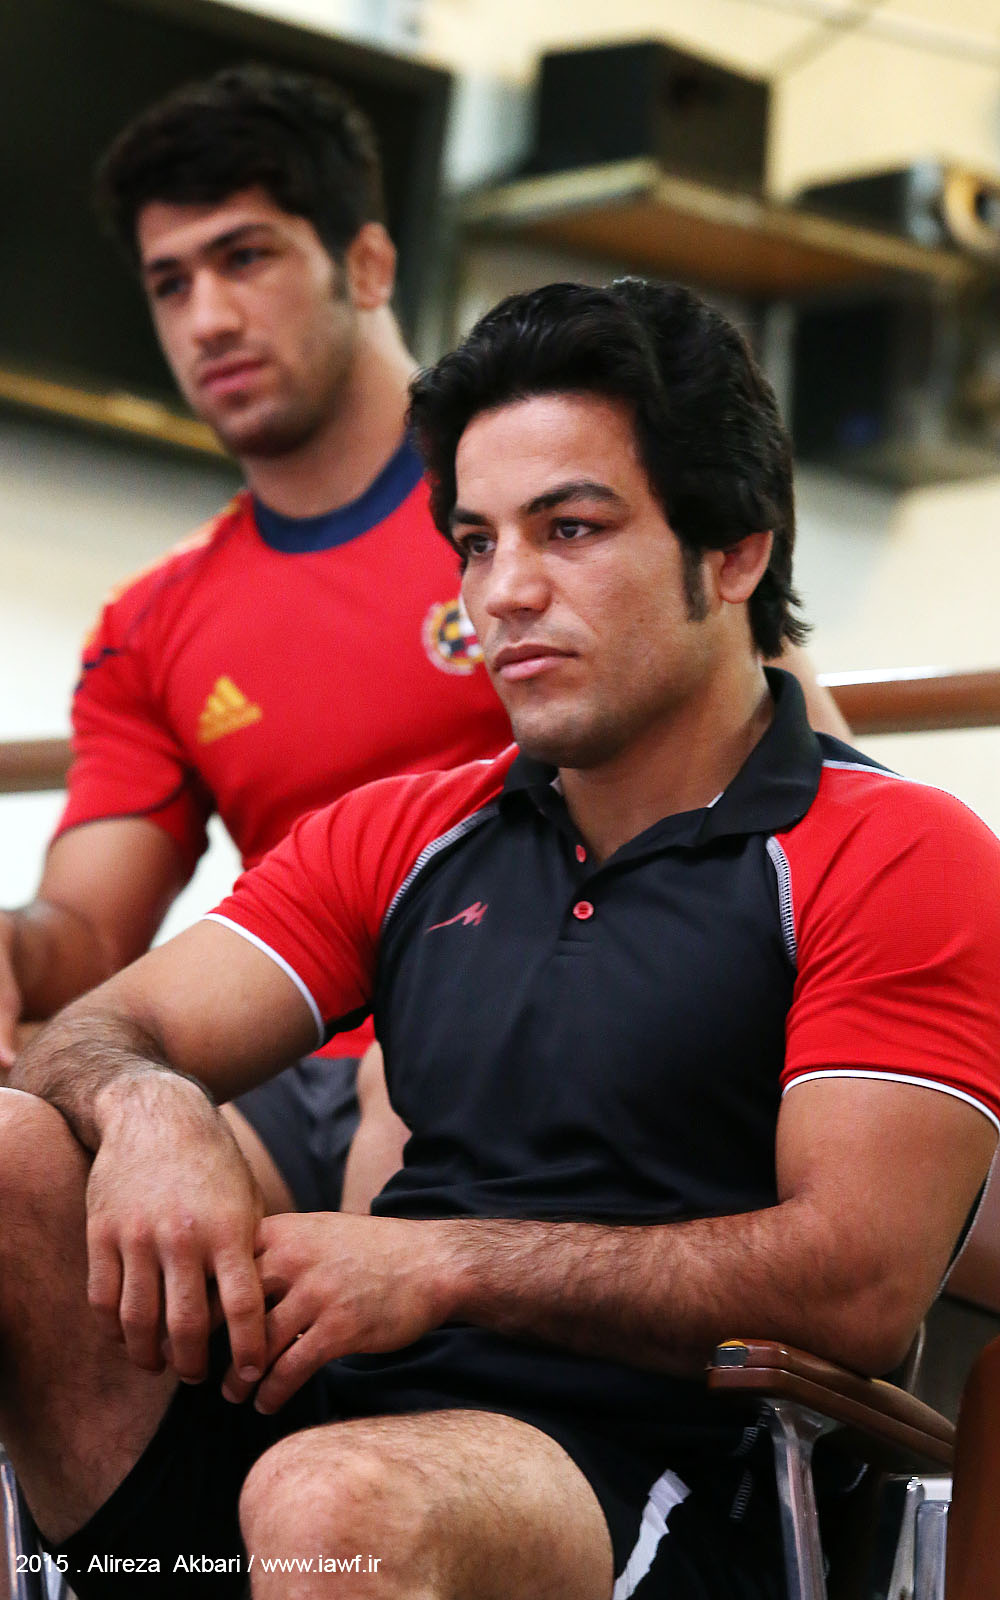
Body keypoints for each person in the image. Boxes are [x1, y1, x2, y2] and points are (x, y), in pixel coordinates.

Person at [2, 278, 997, 1600]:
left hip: (655, 1471)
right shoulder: (407, 830)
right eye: (475, 542)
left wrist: (442, 1266)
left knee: (330, 1500)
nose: (504, 593)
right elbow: (102, 1030)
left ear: (734, 552)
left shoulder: (897, 850)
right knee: (12, 1151)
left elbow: (857, 1285)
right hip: (331, 1441)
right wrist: (156, 1113)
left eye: (570, 528)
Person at [0, 64, 511, 1211]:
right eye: (170, 283)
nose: (209, 319)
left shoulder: (550, 501)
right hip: (288, 1065)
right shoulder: (150, 622)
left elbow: (805, 775)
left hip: (556, 1027)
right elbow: (88, 932)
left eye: (245, 257)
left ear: (366, 265)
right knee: (20, 1153)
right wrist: (13, 947)